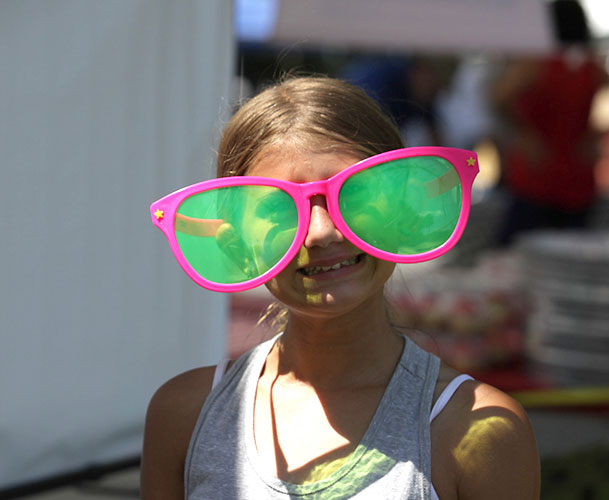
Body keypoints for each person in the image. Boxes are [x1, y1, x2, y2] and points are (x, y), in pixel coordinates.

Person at [141, 76, 540, 499]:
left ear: (403, 215)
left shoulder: (474, 426)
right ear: (238, 246)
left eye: (355, 196)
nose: (321, 232)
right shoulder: (184, 414)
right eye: (279, 209)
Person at [492, 0, 607, 245]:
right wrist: (594, 136)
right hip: (570, 172)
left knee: (516, 249)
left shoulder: (536, 64)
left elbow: (497, 97)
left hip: (542, 171)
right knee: (569, 253)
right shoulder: (590, 66)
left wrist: (524, 133)